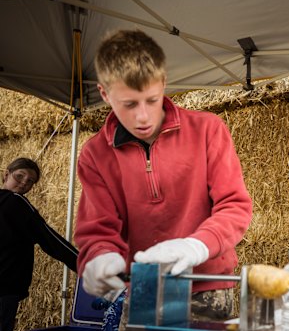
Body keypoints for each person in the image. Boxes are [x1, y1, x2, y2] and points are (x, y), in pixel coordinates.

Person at [74, 29, 253, 322]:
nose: (143, 117)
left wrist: (198, 245)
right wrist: (99, 257)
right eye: (129, 104)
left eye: (152, 100)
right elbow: (97, 230)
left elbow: (235, 206)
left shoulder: (208, 129)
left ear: (164, 84)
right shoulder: (95, 155)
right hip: (140, 291)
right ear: (105, 94)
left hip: (207, 286)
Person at [0, 157, 78, 331]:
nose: (23, 183)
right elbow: (49, 238)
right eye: (19, 176)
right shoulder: (17, 201)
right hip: (4, 287)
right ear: (6, 175)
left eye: (30, 181)